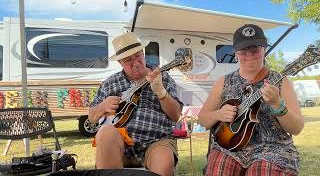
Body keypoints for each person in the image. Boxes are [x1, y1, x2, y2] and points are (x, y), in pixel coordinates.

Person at [198, 24, 304, 176]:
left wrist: (278, 105)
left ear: (264, 49)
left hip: (273, 150)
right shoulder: (224, 82)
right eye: (243, 50)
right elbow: (202, 119)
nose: (249, 54)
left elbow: (297, 128)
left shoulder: (281, 81)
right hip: (228, 147)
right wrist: (218, 114)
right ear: (235, 53)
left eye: (255, 49)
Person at [88, 32, 183, 176]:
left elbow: (176, 116)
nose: (136, 63)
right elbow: (91, 117)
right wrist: (102, 106)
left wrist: (162, 93)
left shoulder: (162, 77)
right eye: (128, 60)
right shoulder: (110, 83)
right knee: (105, 132)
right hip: (120, 141)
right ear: (120, 62)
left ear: (143, 53)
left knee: (163, 160)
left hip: (157, 140)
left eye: (138, 56)